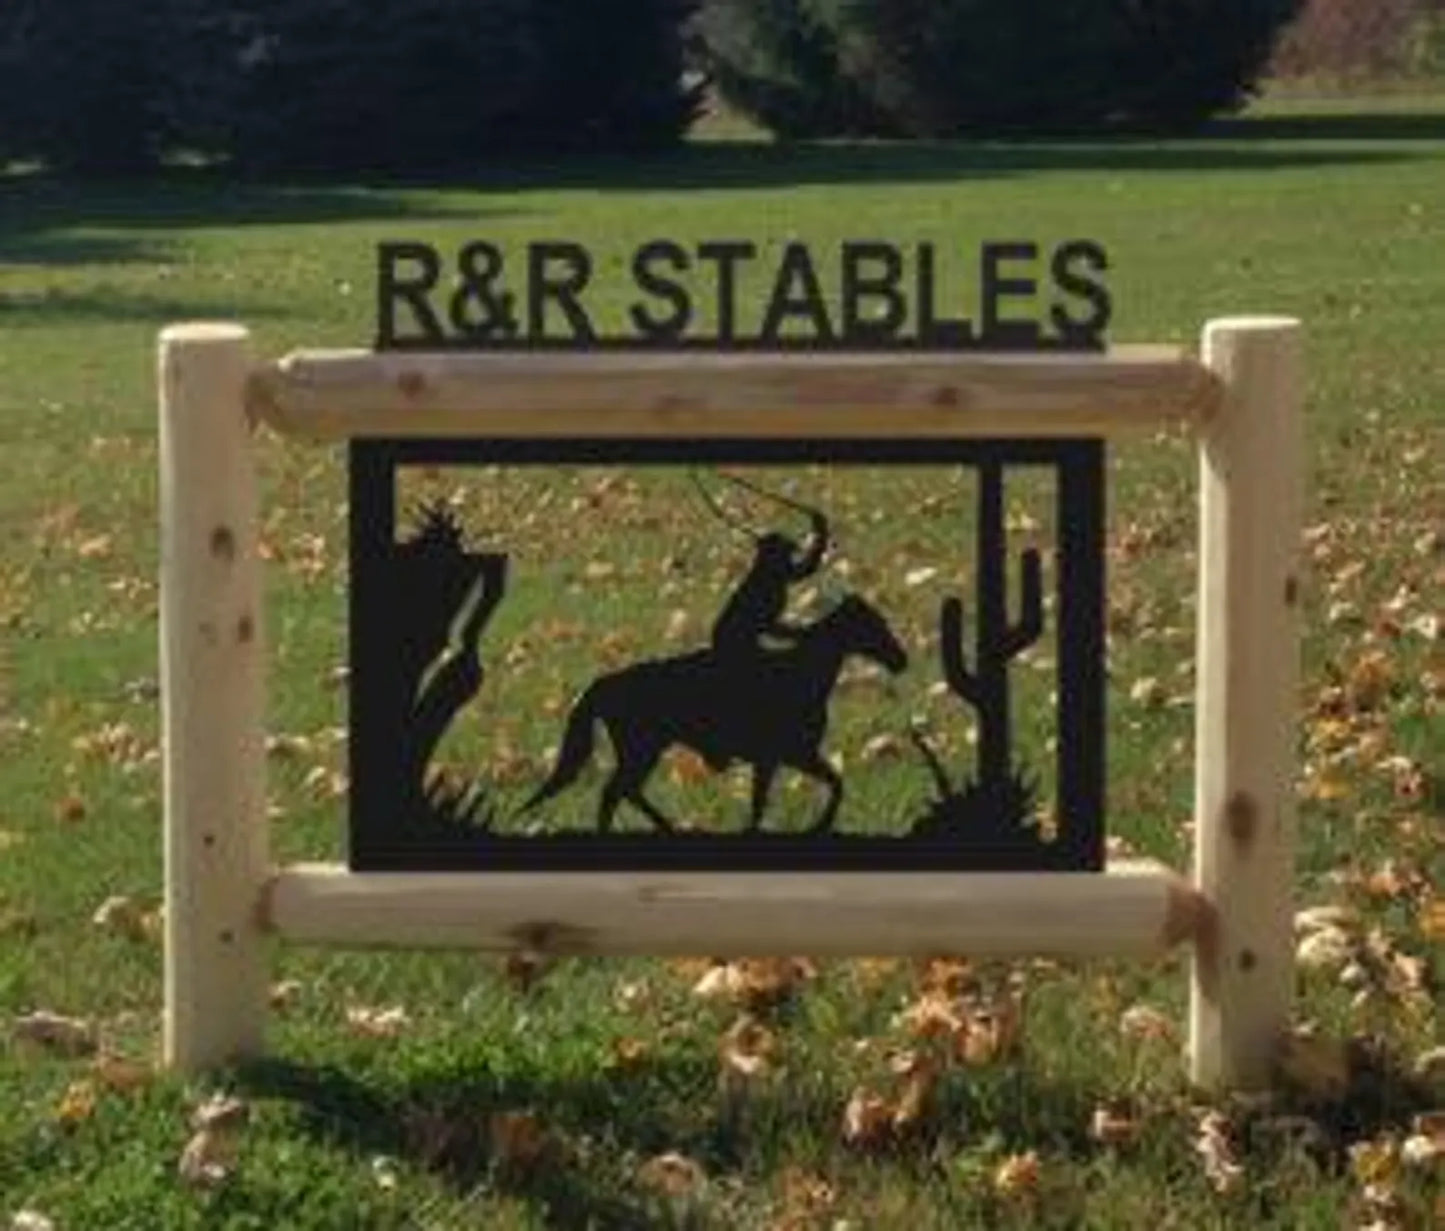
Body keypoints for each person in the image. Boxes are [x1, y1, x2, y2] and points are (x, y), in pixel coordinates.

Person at [710, 508, 829, 662]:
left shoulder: (770, 577)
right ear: (775, 559)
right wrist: (802, 635)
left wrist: (821, 534)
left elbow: (806, 568)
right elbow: (768, 626)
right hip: (734, 643)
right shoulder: (763, 587)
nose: (790, 561)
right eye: (787, 557)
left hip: (738, 640)